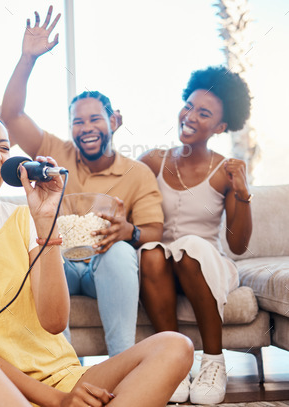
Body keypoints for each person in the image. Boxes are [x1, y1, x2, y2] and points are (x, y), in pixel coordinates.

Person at [0, 109, 193, 407]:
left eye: (3, 148)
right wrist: (58, 401)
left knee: (175, 346)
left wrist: (46, 225)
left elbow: (54, 322)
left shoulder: (27, 219)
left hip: (62, 378)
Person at [0, 6, 163, 356]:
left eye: (95, 119)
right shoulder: (54, 151)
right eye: (77, 121)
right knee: (44, 251)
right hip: (60, 263)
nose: (85, 128)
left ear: (114, 121)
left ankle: (123, 361)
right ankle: (65, 370)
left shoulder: (137, 173)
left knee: (120, 252)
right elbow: (11, 116)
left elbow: (154, 231)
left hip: (103, 265)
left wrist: (129, 232)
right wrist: (27, 58)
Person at [138, 66, 253, 405]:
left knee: (188, 248)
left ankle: (213, 361)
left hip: (207, 265)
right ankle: (171, 362)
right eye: (188, 106)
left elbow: (238, 245)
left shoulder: (225, 171)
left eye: (203, 113)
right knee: (151, 252)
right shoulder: (152, 161)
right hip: (162, 270)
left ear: (220, 127)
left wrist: (243, 193)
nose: (189, 116)